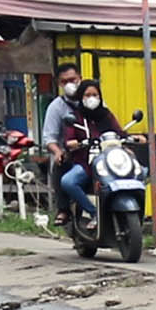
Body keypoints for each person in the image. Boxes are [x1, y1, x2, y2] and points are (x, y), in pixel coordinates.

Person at [39, 76, 117, 232]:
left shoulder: (106, 115)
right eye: (87, 95)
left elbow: (118, 131)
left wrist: (133, 138)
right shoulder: (75, 117)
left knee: (140, 172)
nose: (92, 99)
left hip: (109, 162)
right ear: (81, 98)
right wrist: (73, 143)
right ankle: (94, 213)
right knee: (68, 181)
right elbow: (68, 138)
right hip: (85, 162)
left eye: (95, 95)